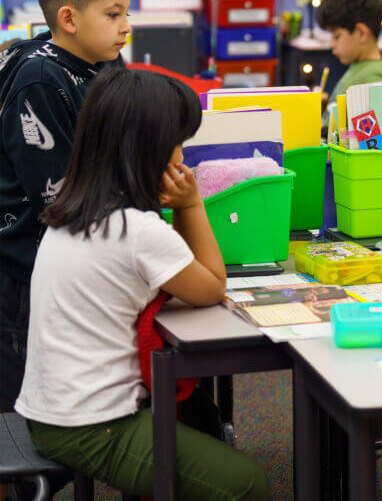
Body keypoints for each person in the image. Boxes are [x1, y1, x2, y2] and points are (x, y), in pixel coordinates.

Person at [14, 68, 269, 500]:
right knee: (246, 484)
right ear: (146, 149)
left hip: (54, 408)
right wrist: (192, 203)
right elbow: (212, 287)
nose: (180, 156)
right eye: (177, 143)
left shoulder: (76, 212)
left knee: (202, 416)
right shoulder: (136, 230)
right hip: (91, 425)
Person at [0, 0, 130, 413]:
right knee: (20, 406)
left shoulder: (106, 62)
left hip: (79, 252)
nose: (126, 26)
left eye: (126, 13)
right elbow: (57, 197)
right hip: (27, 268)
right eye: (113, 14)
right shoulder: (40, 78)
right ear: (69, 18)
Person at [316, 0, 382, 111]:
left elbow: (364, 130)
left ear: (361, 33)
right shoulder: (363, 68)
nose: (331, 44)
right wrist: (328, 105)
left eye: (337, 36)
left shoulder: (369, 80)